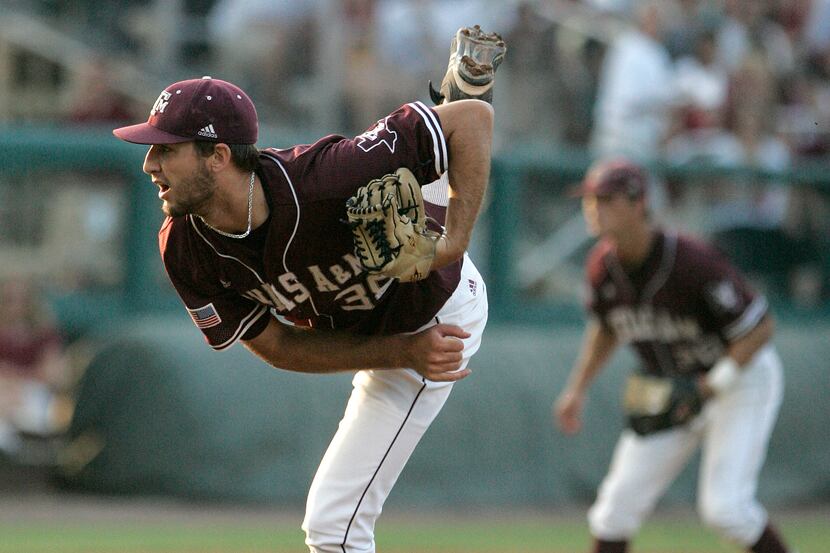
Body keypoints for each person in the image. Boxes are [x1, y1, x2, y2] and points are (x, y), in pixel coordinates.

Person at [112, 75, 492, 552]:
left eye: (167, 150)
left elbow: (473, 120)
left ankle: (441, 137)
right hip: (393, 337)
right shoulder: (185, 247)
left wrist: (453, 242)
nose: (150, 164)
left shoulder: (325, 176)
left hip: (435, 316)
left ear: (219, 156)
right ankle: (434, 158)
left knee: (334, 527)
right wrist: (399, 352)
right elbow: (278, 345)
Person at [553, 158, 794, 553]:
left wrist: (712, 385)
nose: (594, 209)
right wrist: (577, 388)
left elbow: (760, 328)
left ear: (638, 204)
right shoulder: (602, 268)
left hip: (739, 383)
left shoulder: (691, 262)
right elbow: (606, 327)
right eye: (590, 200)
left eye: (606, 199)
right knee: (614, 511)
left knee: (727, 510)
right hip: (672, 391)